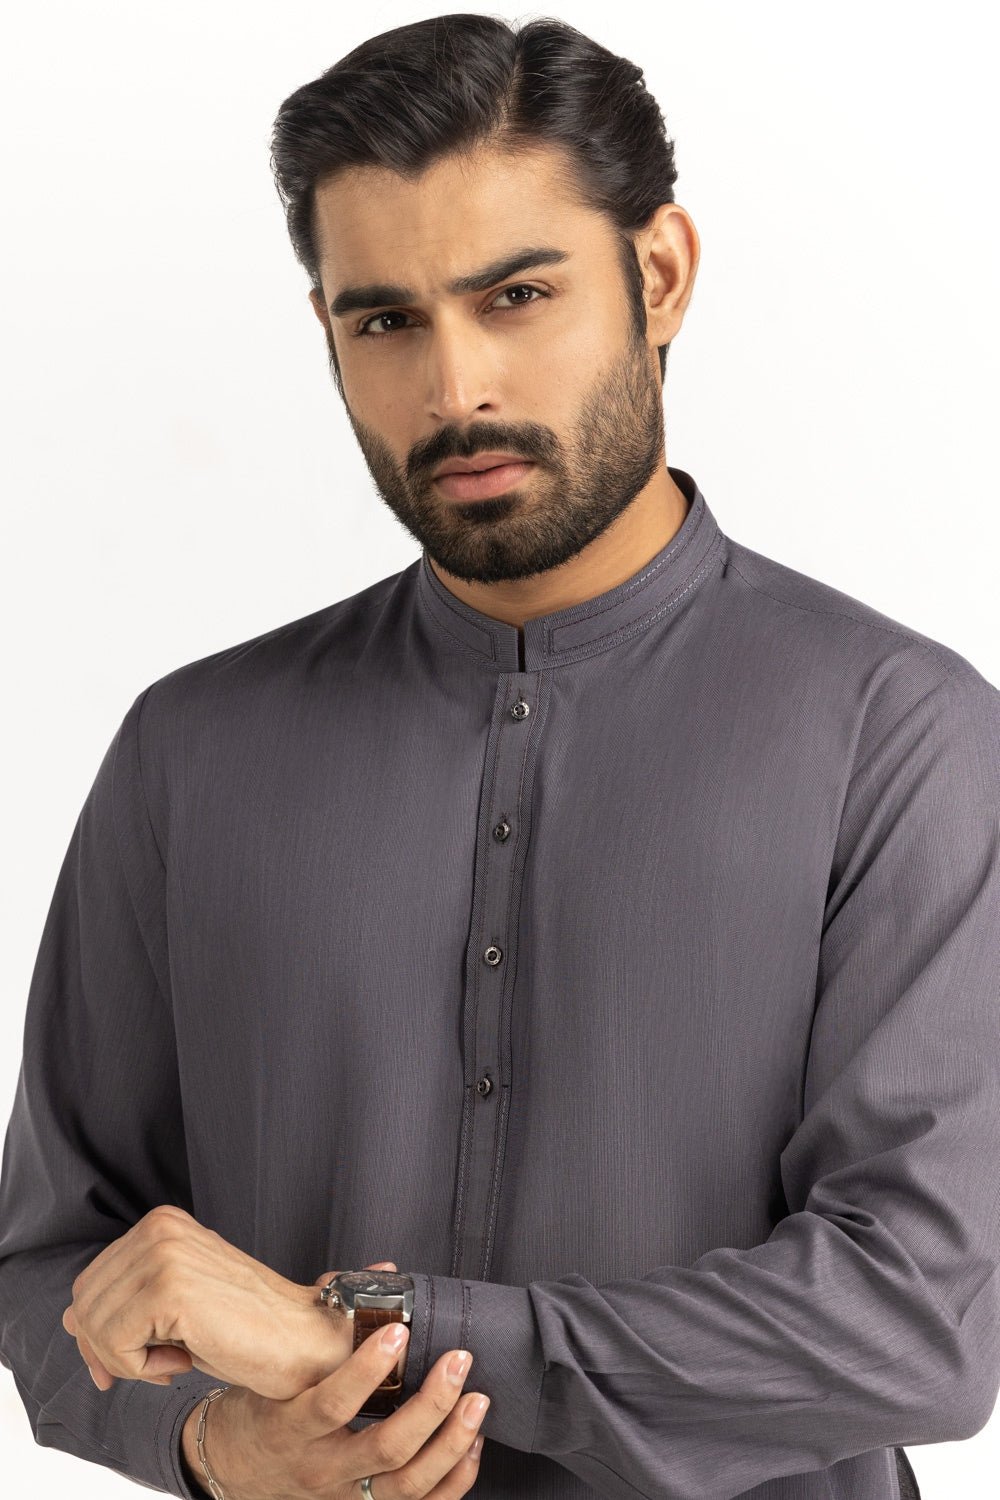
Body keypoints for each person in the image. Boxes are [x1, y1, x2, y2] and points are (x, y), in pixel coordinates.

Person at [0, 12, 996, 1500]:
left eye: (517, 296)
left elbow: (915, 1323)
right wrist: (215, 1441)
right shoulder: (188, 754)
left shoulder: (898, 736)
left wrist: (366, 1335)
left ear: (660, 275)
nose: (454, 387)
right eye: (384, 322)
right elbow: (53, 1270)